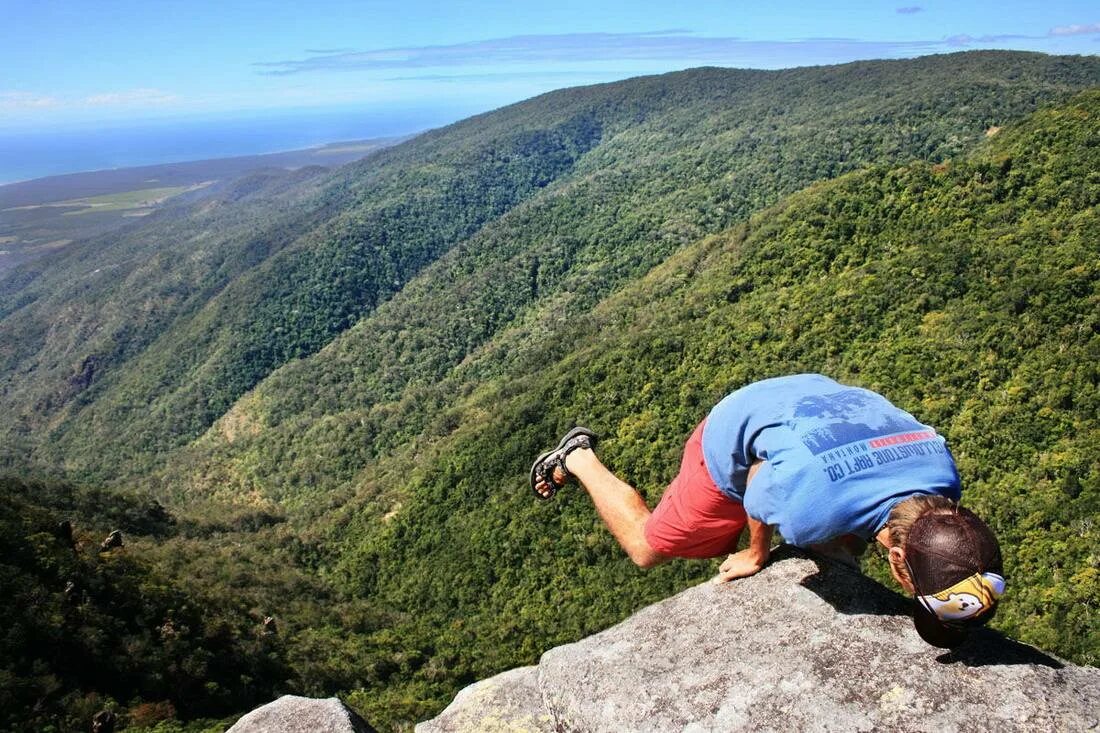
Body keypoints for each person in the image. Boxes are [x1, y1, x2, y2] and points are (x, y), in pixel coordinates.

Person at [530, 373, 1005, 648]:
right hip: (735, 433)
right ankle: (577, 456)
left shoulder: (943, 477)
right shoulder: (807, 511)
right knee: (648, 546)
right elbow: (758, 480)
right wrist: (756, 554)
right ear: (899, 563)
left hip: (812, 395)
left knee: (820, 531)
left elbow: (866, 489)